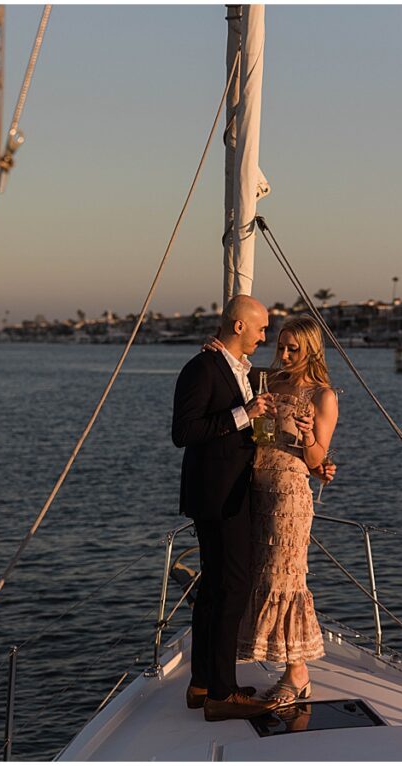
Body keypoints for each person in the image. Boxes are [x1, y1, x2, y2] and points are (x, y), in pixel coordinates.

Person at [172, 294, 276, 721]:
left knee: (215, 589)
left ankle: (202, 684)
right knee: (232, 587)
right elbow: (184, 431)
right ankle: (223, 693)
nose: (263, 336)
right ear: (238, 326)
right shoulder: (201, 368)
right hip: (218, 497)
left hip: (228, 491)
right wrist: (244, 413)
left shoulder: (236, 368)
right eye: (261, 328)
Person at [233, 315, 338, 705]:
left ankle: (298, 674)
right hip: (255, 489)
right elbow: (233, 361)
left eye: (293, 348)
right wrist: (215, 345)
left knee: (286, 580)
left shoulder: (323, 396)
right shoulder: (269, 381)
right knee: (258, 572)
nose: (285, 354)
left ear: (311, 349)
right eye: (281, 346)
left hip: (288, 498)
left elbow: (317, 459)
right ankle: (282, 664)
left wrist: (310, 434)